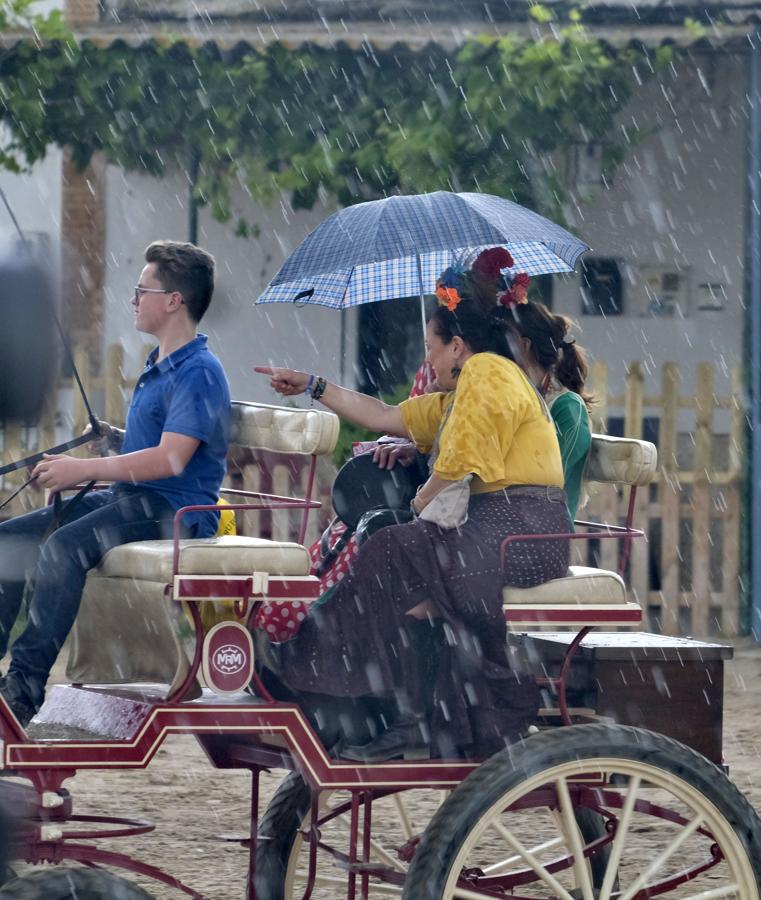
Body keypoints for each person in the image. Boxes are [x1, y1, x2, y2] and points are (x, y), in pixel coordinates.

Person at [254, 248, 570, 763]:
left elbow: (455, 467)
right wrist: (312, 385)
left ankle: (377, 700)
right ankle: (395, 707)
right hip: (497, 529)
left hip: (522, 529)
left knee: (394, 549)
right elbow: (383, 415)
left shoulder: (489, 373)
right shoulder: (468, 384)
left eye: (431, 347)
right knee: (394, 550)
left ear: (458, 347)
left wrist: (421, 501)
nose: (427, 359)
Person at [0, 240, 231, 726]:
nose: (133, 299)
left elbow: (171, 459)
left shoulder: (201, 372)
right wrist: (114, 440)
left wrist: (81, 470)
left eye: (141, 289)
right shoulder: (159, 363)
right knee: (10, 538)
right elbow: (161, 442)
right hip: (134, 500)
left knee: (63, 548)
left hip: (174, 512)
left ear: (173, 300)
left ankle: (23, 687)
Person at [504, 298, 593, 523]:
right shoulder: (517, 397)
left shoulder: (567, 408)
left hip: (537, 535)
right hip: (505, 525)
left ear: (523, 346)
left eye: (500, 344)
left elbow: (541, 488)